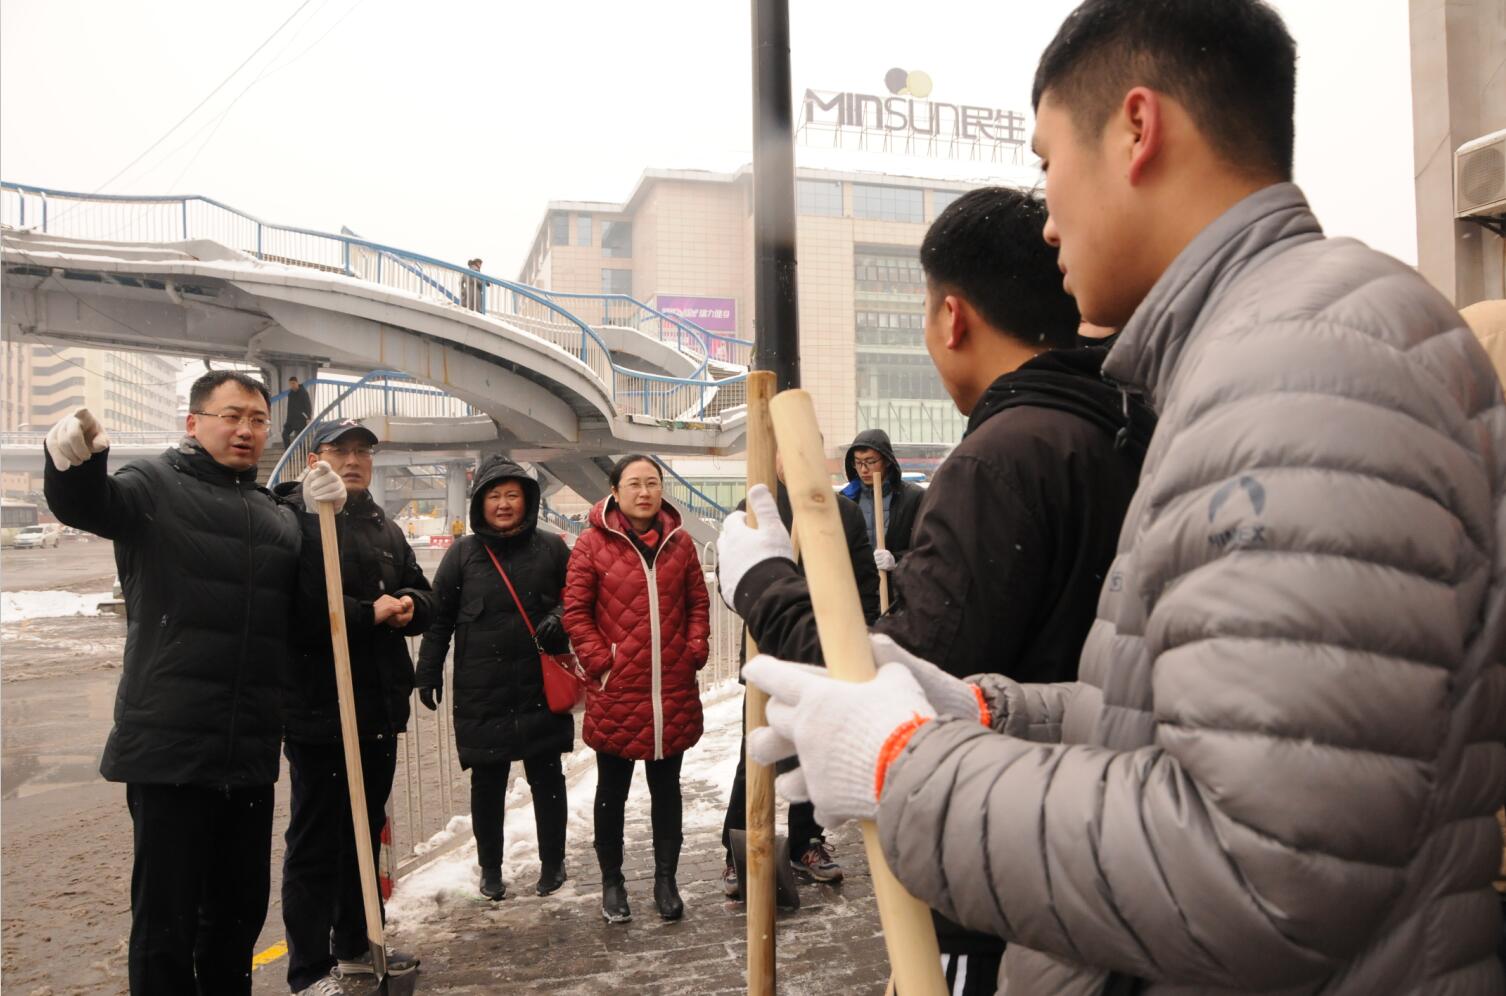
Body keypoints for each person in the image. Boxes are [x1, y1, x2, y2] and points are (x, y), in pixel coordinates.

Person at [741, 0, 1506, 991]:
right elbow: (1189, 725)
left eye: (1048, 162)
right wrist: (982, 712)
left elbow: (1261, 868)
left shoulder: (1302, 369)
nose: (1048, 219)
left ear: (1137, 129)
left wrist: (906, 769)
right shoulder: (1251, 357)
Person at [720, 187, 1154, 993]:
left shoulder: (1000, 460)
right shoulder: (1123, 434)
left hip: (1001, 884)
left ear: (952, 318)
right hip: (1103, 860)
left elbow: (894, 682)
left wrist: (763, 583)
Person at [42, 371, 345, 996]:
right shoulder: (154, 484)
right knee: (166, 925)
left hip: (250, 752)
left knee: (237, 919)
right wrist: (71, 465)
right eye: (231, 416)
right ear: (193, 422)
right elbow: (90, 504)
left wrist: (325, 520)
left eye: (257, 420)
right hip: (170, 748)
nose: (246, 430)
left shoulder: (274, 515)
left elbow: (313, 615)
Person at [278, 419, 432, 995]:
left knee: (363, 833)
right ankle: (308, 970)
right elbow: (299, 609)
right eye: (339, 450)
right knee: (316, 840)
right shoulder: (295, 520)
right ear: (314, 459)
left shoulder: (383, 526)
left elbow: (423, 591)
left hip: (376, 708)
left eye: (362, 451)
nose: (352, 460)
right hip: (320, 710)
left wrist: (409, 605)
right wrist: (369, 613)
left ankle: (357, 943)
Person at [719, 457, 881, 899]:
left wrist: (862, 638)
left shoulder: (843, 512)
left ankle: (805, 842)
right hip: (766, 651)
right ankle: (738, 848)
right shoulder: (754, 510)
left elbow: (864, 584)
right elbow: (730, 583)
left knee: (813, 747)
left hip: (822, 649)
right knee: (756, 752)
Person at [415, 456, 573, 902]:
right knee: (487, 784)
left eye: (512, 495)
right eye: (494, 496)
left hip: (540, 686)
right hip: (482, 690)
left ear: (528, 500)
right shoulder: (462, 555)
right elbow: (440, 618)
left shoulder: (551, 548)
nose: (503, 504)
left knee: (547, 777)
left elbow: (580, 596)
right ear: (479, 503)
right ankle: (490, 868)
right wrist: (428, 671)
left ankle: (553, 861)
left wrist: (560, 616)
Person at [562, 454, 710, 924]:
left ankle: (666, 880)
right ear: (614, 491)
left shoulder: (680, 543)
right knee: (612, 790)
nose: (644, 492)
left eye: (652, 483)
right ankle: (612, 882)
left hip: (671, 689)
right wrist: (601, 662)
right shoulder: (591, 544)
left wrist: (694, 647)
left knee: (667, 790)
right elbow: (575, 612)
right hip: (618, 689)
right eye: (634, 484)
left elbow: (697, 602)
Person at [839, 429, 923, 582]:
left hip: (898, 588)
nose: (864, 470)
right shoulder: (847, 500)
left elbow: (925, 548)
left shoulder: (912, 498)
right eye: (858, 463)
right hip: (860, 589)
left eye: (871, 462)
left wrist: (897, 561)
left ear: (887, 460)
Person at [283, 375, 313, 450]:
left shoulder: (303, 392)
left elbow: (308, 405)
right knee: (284, 434)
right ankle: (288, 453)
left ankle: (304, 454)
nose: (292, 385)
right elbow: (289, 408)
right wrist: (288, 421)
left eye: (293, 383)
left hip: (301, 420)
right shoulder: (290, 394)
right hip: (291, 420)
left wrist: (308, 418)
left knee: (298, 440)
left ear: (297, 383)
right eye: (290, 384)